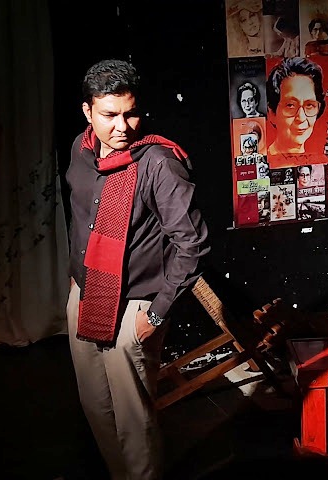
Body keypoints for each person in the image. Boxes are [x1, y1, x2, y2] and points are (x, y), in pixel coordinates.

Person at [65, 59, 210, 480]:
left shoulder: (159, 163)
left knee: (133, 419)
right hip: (86, 295)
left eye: (130, 113)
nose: (122, 127)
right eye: (109, 115)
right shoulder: (80, 150)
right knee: (96, 407)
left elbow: (192, 244)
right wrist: (75, 277)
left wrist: (156, 314)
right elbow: (79, 218)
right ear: (88, 112)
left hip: (134, 307)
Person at [266, 57, 326, 160]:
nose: (301, 118)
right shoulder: (263, 163)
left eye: (309, 105)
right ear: (272, 112)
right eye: (290, 105)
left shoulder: (321, 162)